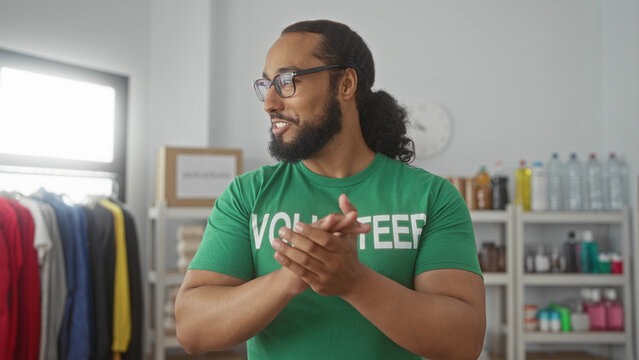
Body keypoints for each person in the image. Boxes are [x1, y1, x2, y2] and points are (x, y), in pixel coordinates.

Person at [175, 19, 485, 360]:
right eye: (267, 84)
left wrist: (355, 283)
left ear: (346, 83)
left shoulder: (433, 197)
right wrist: (292, 275)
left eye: (287, 80)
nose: (269, 102)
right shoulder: (246, 195)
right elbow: (192, 329)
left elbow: (464, 341)